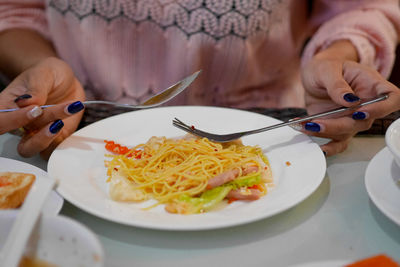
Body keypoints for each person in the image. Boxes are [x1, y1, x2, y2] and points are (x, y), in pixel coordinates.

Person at [0, 0, 400, 159]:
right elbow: (16, 9)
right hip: (80, 133)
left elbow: (363, 7)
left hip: (268, 132)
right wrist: (41, 66)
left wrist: (335, 57)